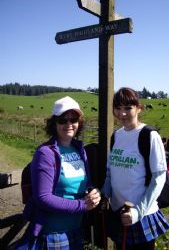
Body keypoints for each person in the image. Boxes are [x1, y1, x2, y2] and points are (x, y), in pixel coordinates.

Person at [15, 96, 101, 250]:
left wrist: (93, 193)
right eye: (63, 119)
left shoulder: (79, 149)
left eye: (73, 119)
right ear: (54, 123)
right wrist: (82, 205)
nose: (69, 124)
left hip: (77, 230)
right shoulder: (45, 153)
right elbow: (43, 198)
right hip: (53, 234)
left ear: (79, 123)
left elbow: (85, 184)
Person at [102, 87, 169, 250]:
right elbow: (110, 173)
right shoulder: (116, 136)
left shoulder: (148, 135)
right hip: (120, 212)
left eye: (128, 108)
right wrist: (105, 194)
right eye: (118, 108)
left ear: (139, 108)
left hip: (142, 214)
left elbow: (159, 177)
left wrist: (137, 212)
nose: (122, 113)